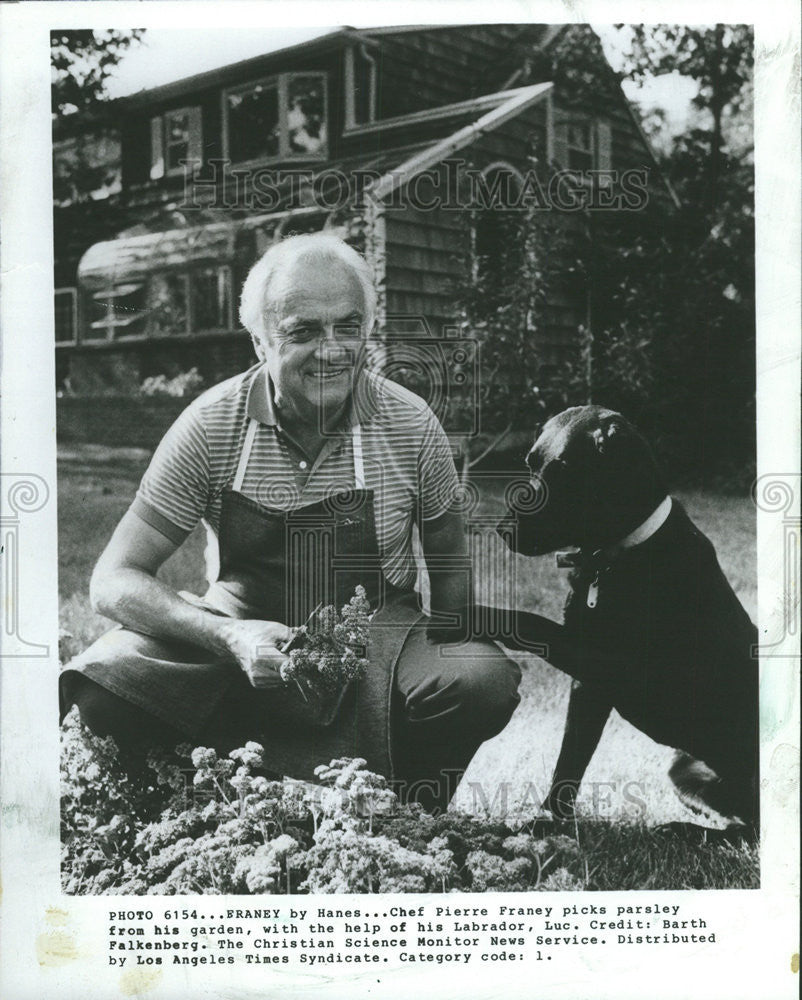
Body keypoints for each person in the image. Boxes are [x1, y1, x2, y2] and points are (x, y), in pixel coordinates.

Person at [60, 233, 521, 812]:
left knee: (478, 680)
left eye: (347, 327)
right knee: (106, 681)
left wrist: (438, 662)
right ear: (259, 341)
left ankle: (408, 808)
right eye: (303, 331)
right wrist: (227, 636)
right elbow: (114, 579)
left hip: (375, 633)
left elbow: (450, 560)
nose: (332, 350)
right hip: (241, 632)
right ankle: (203, 802)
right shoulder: (210, 425)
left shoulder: (409, 424)